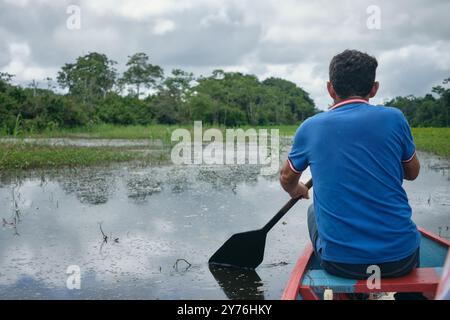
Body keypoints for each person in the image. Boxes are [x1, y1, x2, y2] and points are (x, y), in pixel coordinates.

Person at [280, 49, 421, 280]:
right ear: (374, 88)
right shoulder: (395, 118)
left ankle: (354, 291)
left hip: (341, 265)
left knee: (313, 209)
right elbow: (412, 173)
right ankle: (413, 296)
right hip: (400, 260)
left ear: (330, 89)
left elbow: (287, 177)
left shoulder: (311, 126)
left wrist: (296, 189)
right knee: (405, 234)